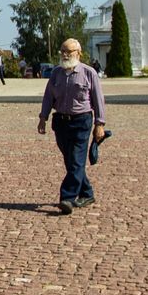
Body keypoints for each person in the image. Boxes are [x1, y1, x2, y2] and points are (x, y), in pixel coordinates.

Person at [38, 38, 107, 215]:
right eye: (63, 51)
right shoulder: (56, 73)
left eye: (69, 51)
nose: (65, 55)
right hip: (60, 122)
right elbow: (48, 96)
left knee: (76, 160)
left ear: (78, 53)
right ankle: (87, 192)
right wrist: (43, 117)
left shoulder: (89, 73)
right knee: (71, 161)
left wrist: (99, 124)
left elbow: (98, 100)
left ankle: (67, 198)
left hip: (81, 121)